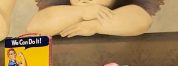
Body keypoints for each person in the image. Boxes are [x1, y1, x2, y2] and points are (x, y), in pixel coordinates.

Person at [28, 0, 162, 38]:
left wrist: (96, 25)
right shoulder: (57, 8)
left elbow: (142, 19)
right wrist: (82, 11)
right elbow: (35, 27)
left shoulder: (132, 9)